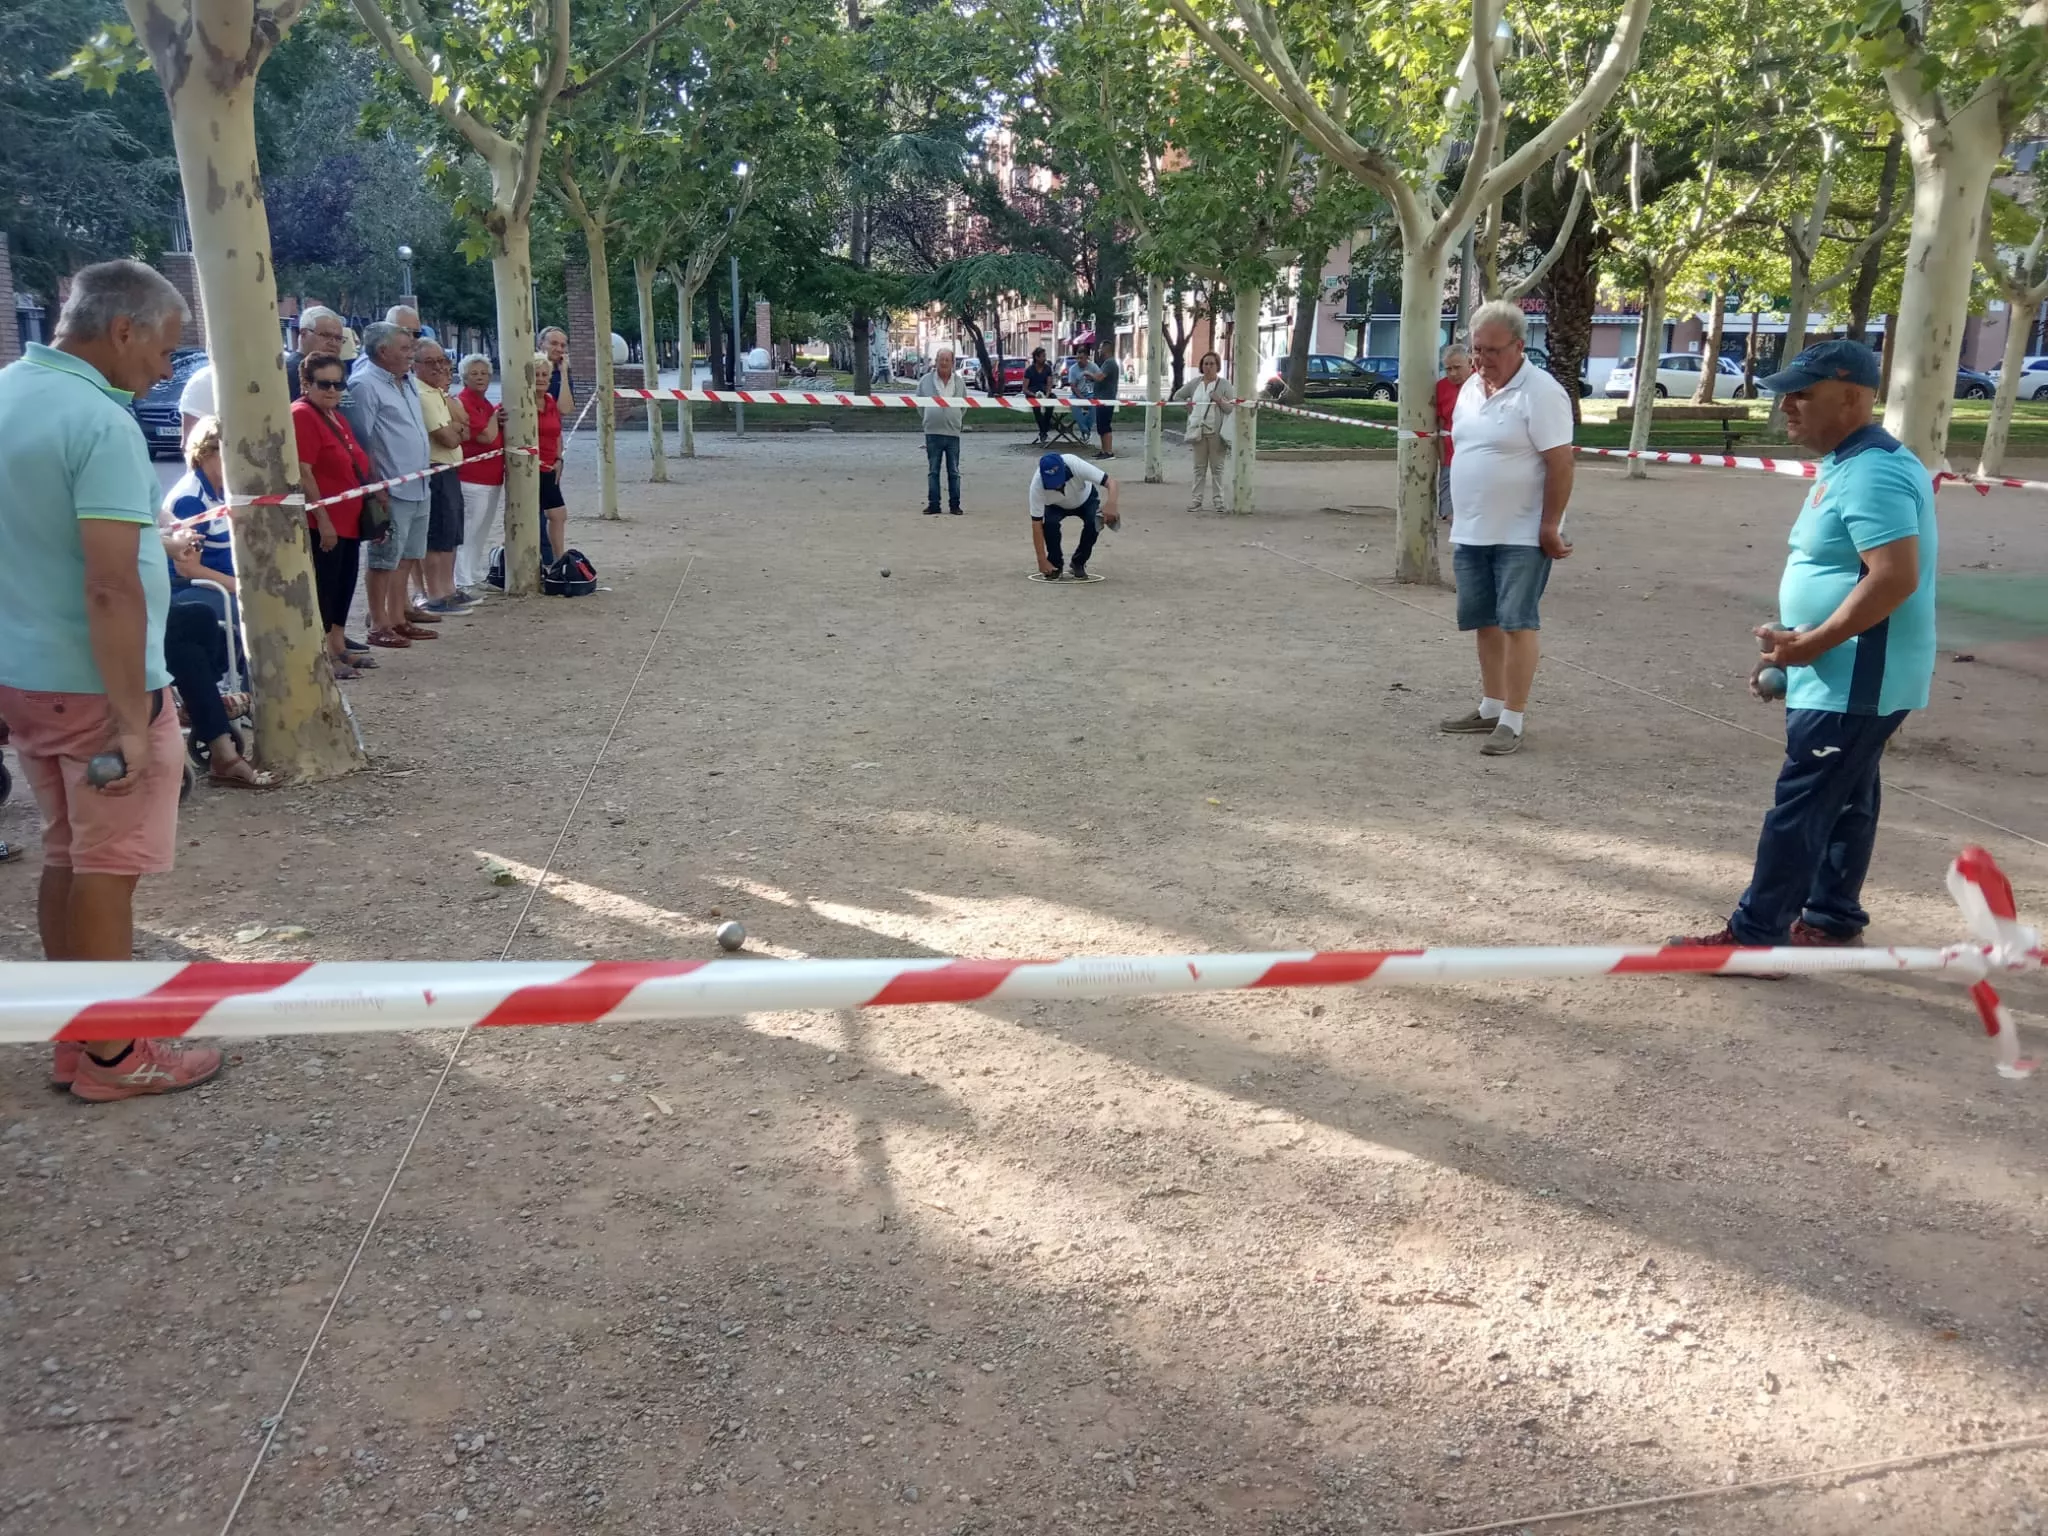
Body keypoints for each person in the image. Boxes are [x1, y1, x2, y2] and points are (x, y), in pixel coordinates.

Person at [0, 258, 224, 1101]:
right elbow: (107, 584)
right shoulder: (98, 421)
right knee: (104, 867)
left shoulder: (9, 394)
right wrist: (135, 720)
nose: (167, 372)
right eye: (165, 349)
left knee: (65, 853)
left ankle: (80, 1037)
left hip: (26, 676)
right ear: (122, 330)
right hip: (93, 684)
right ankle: (113, 1055)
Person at [1671, 341, 1938, 954]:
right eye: (1785, 392)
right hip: (1840, 671)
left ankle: (1756, 937)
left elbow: (1894, 576)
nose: (1786, 406)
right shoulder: (1848, 463)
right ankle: (1831, 915)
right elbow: (1843, 572)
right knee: (1847, 798)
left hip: (1857, 676)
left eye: (1801, 394)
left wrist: (1810, 645)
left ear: (1851, 397)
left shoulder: (1874, 469)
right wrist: (1798, 654)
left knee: (1804, 805)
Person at [1438, 299, 1576, 758]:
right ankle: (1490, 706)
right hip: (1473, 530)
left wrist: (1550, 525)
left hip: (1522, 532)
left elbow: (1561, 462)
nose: (1482, 360)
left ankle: (1513, 719)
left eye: (1493, 351)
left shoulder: (1542, 391)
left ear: (1519, 346)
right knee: (1485, 622)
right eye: (1477, 350)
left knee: (1518, 622)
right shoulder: (1471, 389)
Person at [344, 320, 439, 648]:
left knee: (408, 555)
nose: (412, 353)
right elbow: (361, 439)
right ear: (383, 352)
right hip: (391, 486)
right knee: (384, 558)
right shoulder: (364, 385)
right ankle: (378, 621)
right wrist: (375, 485)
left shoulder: (408, 379)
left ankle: (399, 616)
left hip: (419, 483)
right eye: (405, 348)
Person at [293, 353, 383, 673]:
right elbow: (305, 472)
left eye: (338, 383)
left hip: (349, 518)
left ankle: (339, 645)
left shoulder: (333, 414)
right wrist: (324, 520)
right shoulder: (303, 415)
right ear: (306, 384)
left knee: (344, 584)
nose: (333, 390)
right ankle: (324, 656)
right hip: (326, 521)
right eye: (324, 384)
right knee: (325, 588)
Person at [410, 340, 477, 616]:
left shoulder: (437, 392)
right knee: (437, 533)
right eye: (430, 362)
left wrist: (457, 428)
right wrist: (457, 430)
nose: (439, 367)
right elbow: (449, 437)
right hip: (435, 469)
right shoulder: (423, 394)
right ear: (415, 366)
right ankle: (435, 592)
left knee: (451, 532)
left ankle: (448, 588)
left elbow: (467, 426)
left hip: (449, 469)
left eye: (442, 360)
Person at [454, 353, 506, 593]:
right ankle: (461, 578)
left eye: (484, 373)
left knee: (482, 528)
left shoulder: (484, 403)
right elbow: (486, 436)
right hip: (472, 477)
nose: (480, 378)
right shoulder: (463, 402)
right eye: (474, 374)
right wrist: (495, 418)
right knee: (469, 529)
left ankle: (473, 572)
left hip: (491, 476)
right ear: (464, 378)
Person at [1029, 451, 1121, 581]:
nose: (1056, 486)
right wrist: (1041, 559)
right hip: (1055, 505)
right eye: (1051, 482)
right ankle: (1054, 565)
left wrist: (1111, 504)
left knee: (1093, 522)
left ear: (1065, 469)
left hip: (1085, 498)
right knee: (1050, 525)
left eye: (1058, 480)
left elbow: (1111, 482)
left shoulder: (1075, 463)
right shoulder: (1037, 485)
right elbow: (1036, 524)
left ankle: (1079, 562)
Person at [1171, 350, 1235, 513]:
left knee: (1217, 468)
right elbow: (1177, 396)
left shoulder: (1224, 385)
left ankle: (1218, 501)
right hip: (1198, 430)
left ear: (1217, 366)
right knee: (1199, 468)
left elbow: (1231, 408)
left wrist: (1219, 400)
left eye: (1211, 364)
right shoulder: (1195, 383)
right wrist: (1187, 405)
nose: (1208, 367)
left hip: (1216, 432)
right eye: (1205, 364)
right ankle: (1196, 500)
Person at [916, 347, 966, 516]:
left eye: (947, 360)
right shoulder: (925, 381)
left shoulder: (959, 382)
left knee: (954, 471)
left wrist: (955, 418)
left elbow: (964, 406)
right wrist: (929, 419)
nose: (943, 363)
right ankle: (934, 504)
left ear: (952, 363)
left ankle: (955, 505)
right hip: (933, 432)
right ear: (935, 362)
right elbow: (919, 405)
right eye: (940, 359)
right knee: (933, 470)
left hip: (953, 433)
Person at [533, 353, 567, 565]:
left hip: (549, 466)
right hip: (530, 468)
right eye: (536, 374)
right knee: (533, 516)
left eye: (545, 374)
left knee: (558, 514)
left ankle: (558, 559)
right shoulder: (522, 403)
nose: (541, 378)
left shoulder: (549, 400)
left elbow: (557, 432)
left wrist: (558, 458)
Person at [1435, 342, 1471, 521]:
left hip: (1475, 457)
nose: (1453, 374)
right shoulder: (1441, 387)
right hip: (1450, 458)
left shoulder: (1483, 384)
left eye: (1457, 368)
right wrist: (1443, 461)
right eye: (1448, 369)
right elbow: (1441, 428)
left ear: (1470, 363)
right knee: (1449, 509)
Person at [284, 305, 348, 404]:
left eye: (338, 338)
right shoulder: (292, 373)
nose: (333, 343)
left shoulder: (330, 370)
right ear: (304, 333)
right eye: (326, 335)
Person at [1085, 347, 1122, 457]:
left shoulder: (1110, 363)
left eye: (1101, 348)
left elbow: (1100, 377)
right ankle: (1103, 450)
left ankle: (1109, 451)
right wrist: (1092, 378)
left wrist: (1089, 374)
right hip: (1101, 398)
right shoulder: (1107, 363)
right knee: (1101, 425)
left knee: (1105, 425)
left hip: (1106, 399)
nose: (1099, 350)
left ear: (1106, 350)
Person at [542, 325, 576, 419]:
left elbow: (565, 409)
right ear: (541, 344)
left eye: (563, 345)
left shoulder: (562, 373)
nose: (559, 349)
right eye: (554, 343)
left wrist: (564, 372)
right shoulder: (530, 369)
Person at [1066, 344, 1096, 447]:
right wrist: (1082, 398)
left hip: (1090, 393)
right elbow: (1073, 386)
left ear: (1087, 357)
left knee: (1094, 406)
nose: (1079, 360)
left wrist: (1092, 377)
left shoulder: (1093, 366)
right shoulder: (1073, 369)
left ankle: (1086, 430)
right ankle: (1085, 430)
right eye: (1077, 358)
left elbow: (1099, 378)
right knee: (1074, 404)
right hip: (1078, 394)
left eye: (1081, 358)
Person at [1024, 347, 1056, 445]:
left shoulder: (1047, 368)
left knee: (1052, 401)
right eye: (1043, 356)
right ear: (1036, 357)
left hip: (1044, 392)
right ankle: (1044, 431)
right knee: (1036, 408)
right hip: (1033, 394)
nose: (1045, 358)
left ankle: (1044, 430)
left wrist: (1046, 394)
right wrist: (1034, 395)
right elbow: (1025, 389)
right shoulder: (1029, 370)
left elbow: (1049, 383)